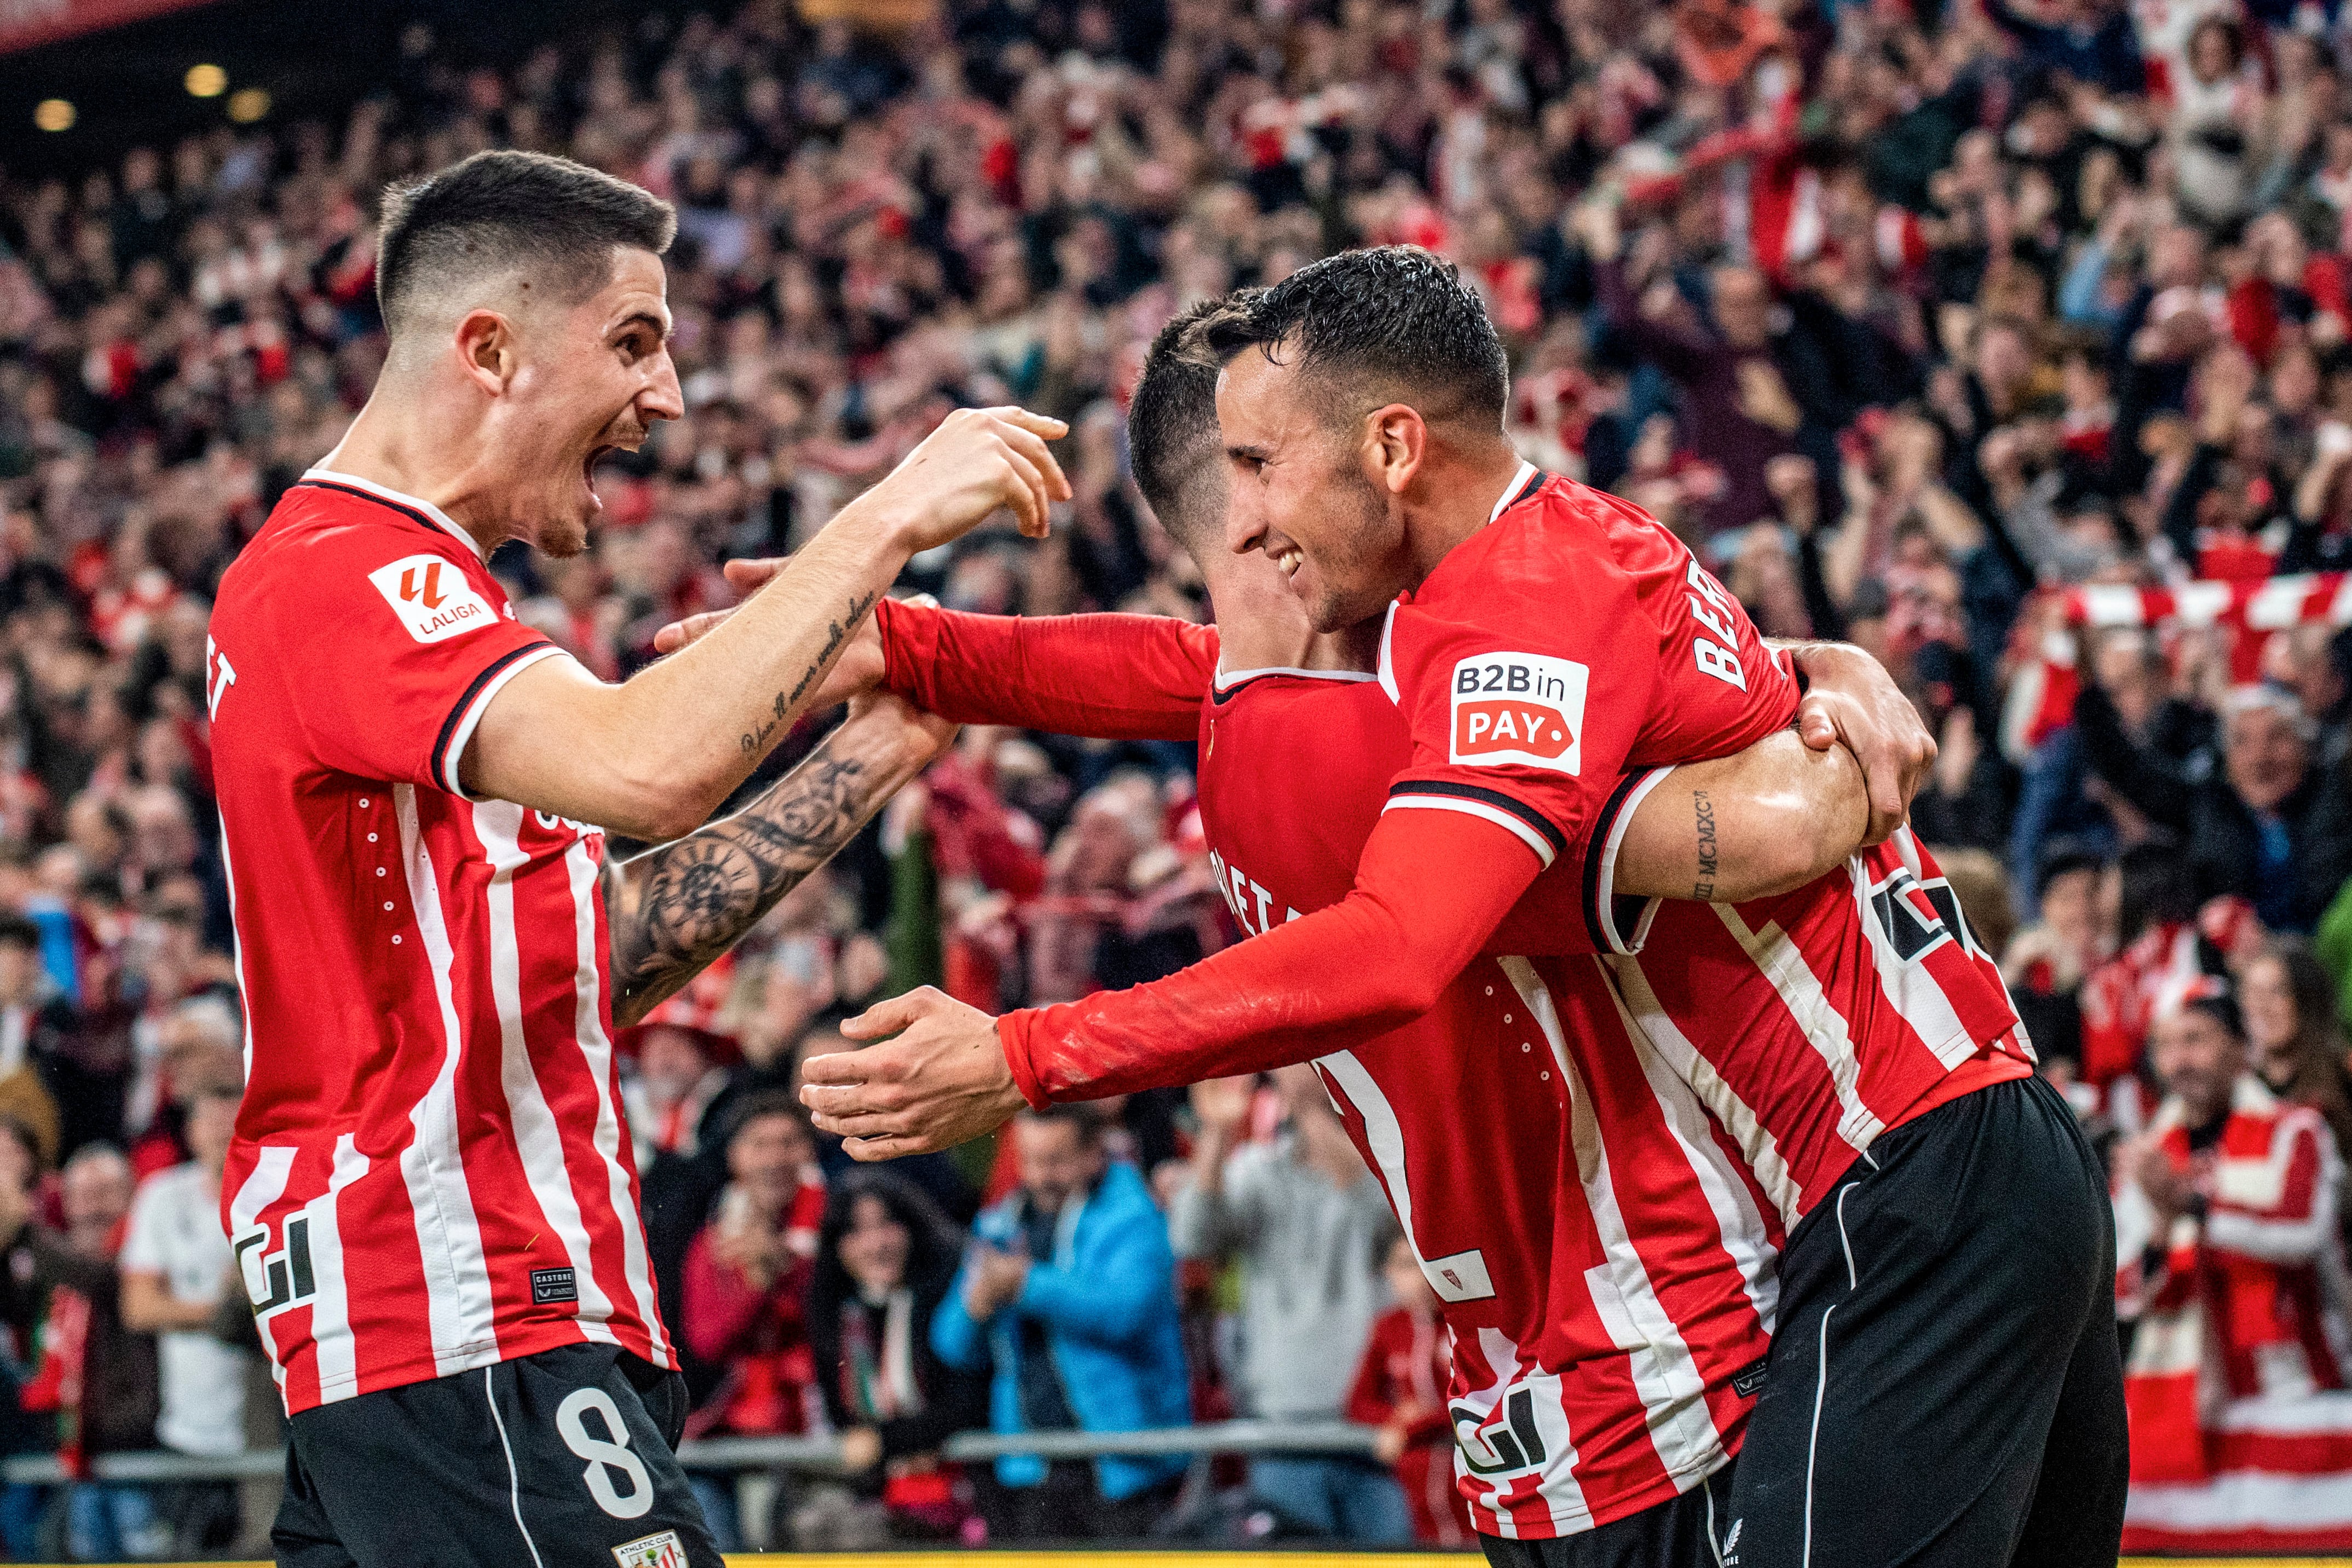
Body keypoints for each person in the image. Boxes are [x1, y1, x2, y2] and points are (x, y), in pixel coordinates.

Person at [804, 248, 2122, 1568]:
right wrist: (929, 647)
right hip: (1958, 1148)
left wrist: (1022, 1053)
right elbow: (1196, 673)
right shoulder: (1540, 571)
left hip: (1881, 1189)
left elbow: (1405, 940)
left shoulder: (1507, 627)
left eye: (1266, 461)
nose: (1258, 508)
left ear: (1386, 448)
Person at [203, 148, 1026, 1568]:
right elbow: (652, 764)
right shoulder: (350, 574)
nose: (672, 398)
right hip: (472, 1312)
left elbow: (592, 953)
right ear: (490, 349)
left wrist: (870, 761)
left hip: (427, 1340)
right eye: (635, 343)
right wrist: (880, 519)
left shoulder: (412, 613)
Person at [2112, 980, 2352, 1552]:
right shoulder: (2150, 1151)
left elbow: (2298, 1224)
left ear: (2240, 1046)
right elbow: (2120, 1286)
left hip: (2294, 1393)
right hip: (2184, 1413)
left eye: (2195, 1039)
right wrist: (2164, 1236)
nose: (2178, 1060)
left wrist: (2189, 1203)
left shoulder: (2296, 1130)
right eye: (2166, 1044)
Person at [930, 1104, 1188, 1543]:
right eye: (1029, 1160)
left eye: (1056, 1160)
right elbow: (952, 1347)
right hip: (1034, 1466)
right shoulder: (999, 1226)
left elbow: (1125, 1313)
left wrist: (1026, 1284)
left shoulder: (1132, 1218)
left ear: (1094, 1154)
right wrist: (973, 1309)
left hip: (1126, 1463)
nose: (1040, 1176)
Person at [1171, 1069, 1407, 1543]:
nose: (1297, 1069)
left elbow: (1389, 1221)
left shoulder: (1386, 1162)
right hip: (1284, 1432)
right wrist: (1218, 1132)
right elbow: (1192, 1238)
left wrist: (1320, 1118)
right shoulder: (1258, 1169)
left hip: (1380, 1430)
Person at [803, 1170, 985, 1542]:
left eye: (887, 1225)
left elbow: (967, 1405)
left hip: (964, 1499)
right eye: (855, 1232)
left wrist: (886, 1443)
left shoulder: (945, 1297)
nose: (875, 1245)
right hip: (881, 1501)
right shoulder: (832, 1315)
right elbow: (845, 1423)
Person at [119, 1070, 244, 1555]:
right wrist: (225, 1310)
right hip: (186, 1429)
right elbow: (138, 1306)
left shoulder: (276, 1192)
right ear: (190, 1131)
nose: (221, 1132)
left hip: (267, 1419)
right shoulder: (163, 1197)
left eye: (231, 1120)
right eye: (210, 1121)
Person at [1348, 1230, 1473, 1548]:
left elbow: (1477, 1400)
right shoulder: (1388, 1328)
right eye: (1405, 1265)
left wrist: (1411, 1428)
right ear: (1387, 1273)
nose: (1418, 1277)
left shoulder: (1465, 1322)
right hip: (1411, 1484)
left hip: (1469, 1476)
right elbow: (1357, 1402)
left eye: (1424, 1263)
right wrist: (1393, 1416)